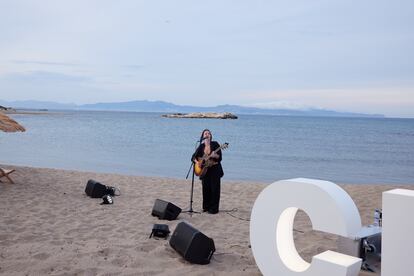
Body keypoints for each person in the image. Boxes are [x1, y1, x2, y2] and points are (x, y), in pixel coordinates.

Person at [192, 129, 224, 214]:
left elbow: (220, 158)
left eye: (209, 133)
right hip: (204, 170)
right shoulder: (201, 146)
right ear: (202, 136)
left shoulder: (215, 144)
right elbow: (193, 157)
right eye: (205, 133)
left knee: (215, 189)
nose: (207, 134)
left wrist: (215, 155)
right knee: (205, 188)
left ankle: (214, 209)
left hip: (215, 169)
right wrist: (197, 162)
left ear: (211, 136)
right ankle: (206, 207)